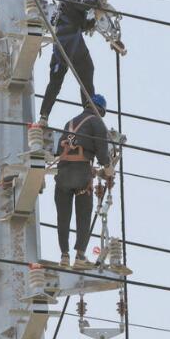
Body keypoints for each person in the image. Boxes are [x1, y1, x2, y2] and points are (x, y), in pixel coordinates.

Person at [54, 94, 114, 269]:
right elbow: (102, 153)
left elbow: (63, 147)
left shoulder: (70, 124)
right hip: (81, 176)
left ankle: (64, 256)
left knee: (63, 217)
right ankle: (80, 256)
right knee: (83, 215)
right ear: (101, 111)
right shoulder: (97, 123)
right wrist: (108, 168)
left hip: (63, 174)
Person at [38, 0, 100, 126]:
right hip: (68, 39)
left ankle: (86, 111)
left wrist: (94, 20)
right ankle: (45, 116)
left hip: (70, 39)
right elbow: (88, 2)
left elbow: (83, 24)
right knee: (60, 78)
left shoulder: (71, 2)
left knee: (81, 71)